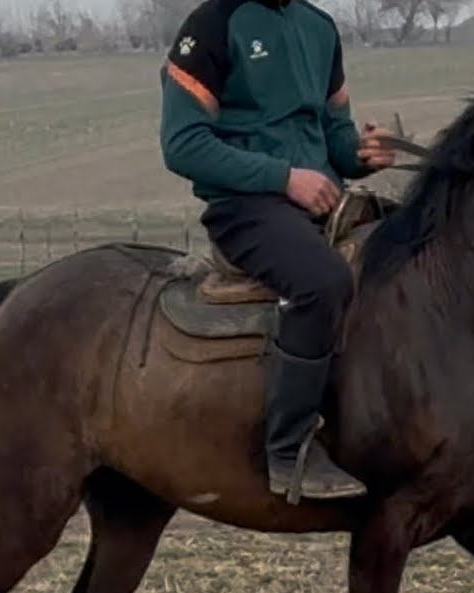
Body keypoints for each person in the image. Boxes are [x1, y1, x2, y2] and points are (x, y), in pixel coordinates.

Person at [159, 0, 395, 501]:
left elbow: (333, 136)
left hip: (321, 200)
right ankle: (289, 451)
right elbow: (182, 144)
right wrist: (283, 178)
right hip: (244, 209)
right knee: (322, 282)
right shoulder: (213, 25)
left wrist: (361, 155)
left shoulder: (319, 27)